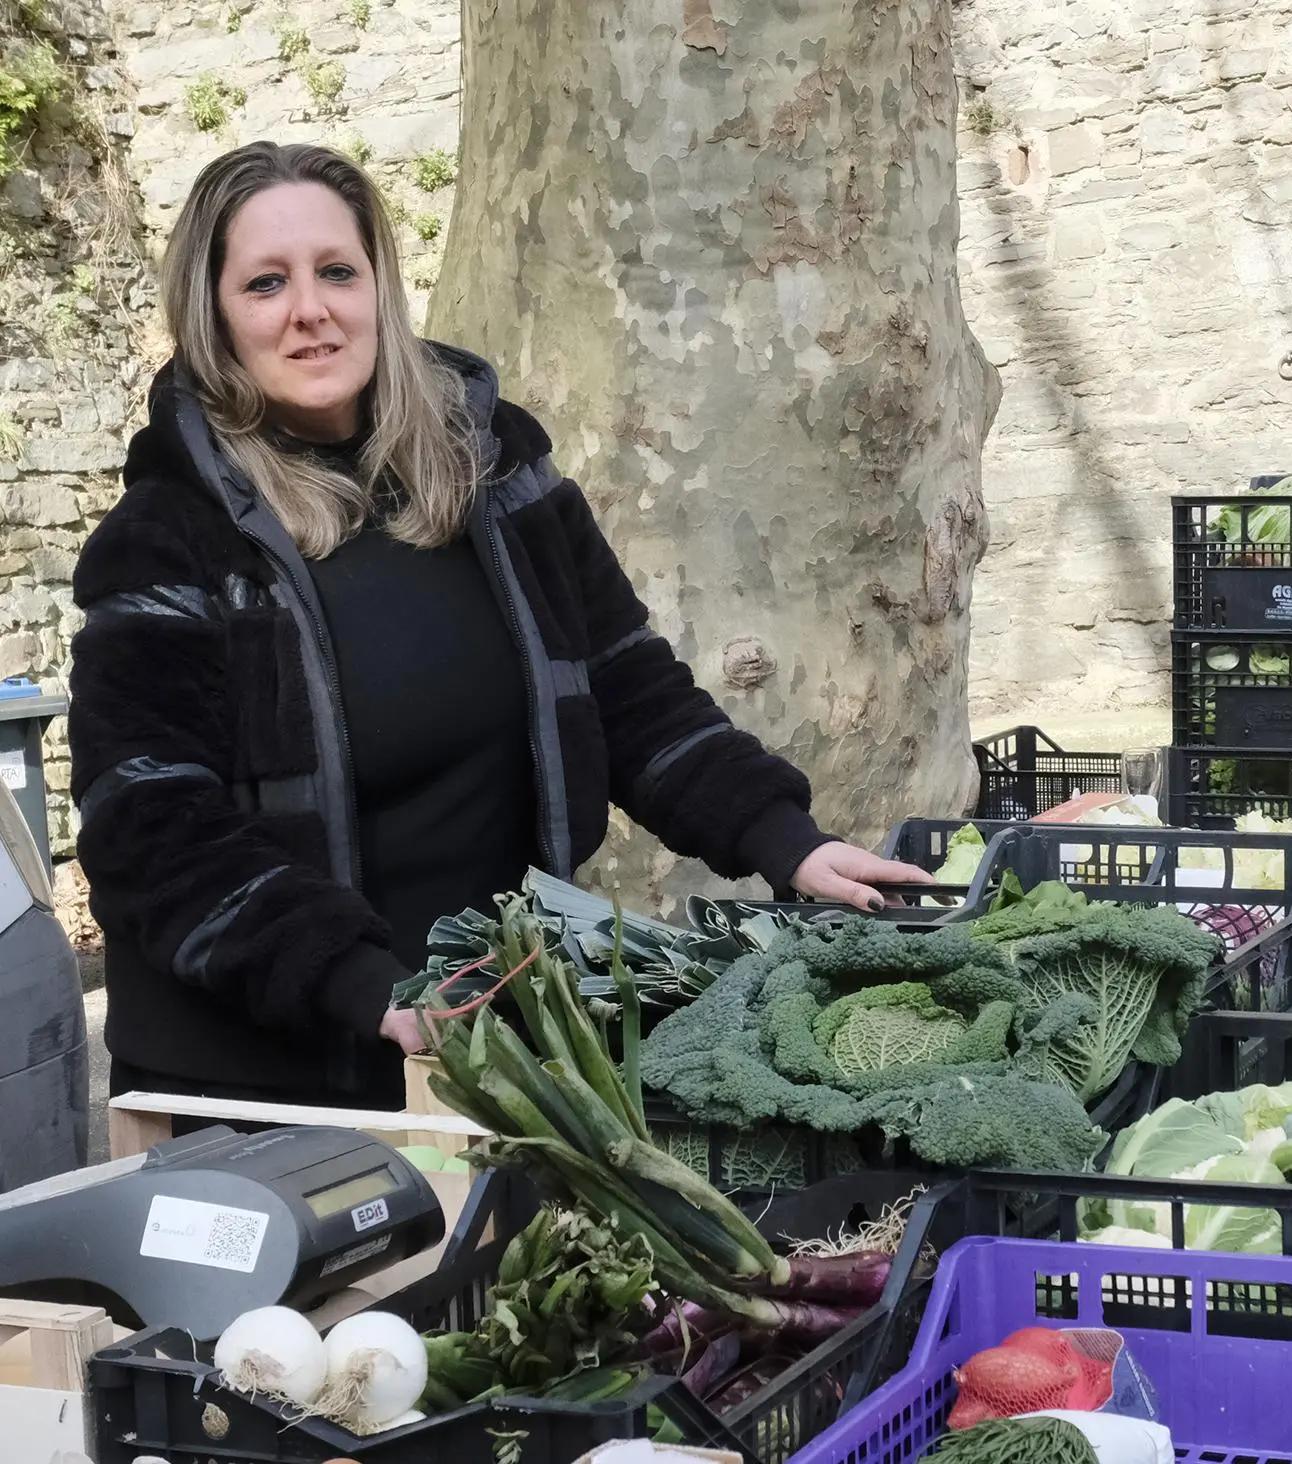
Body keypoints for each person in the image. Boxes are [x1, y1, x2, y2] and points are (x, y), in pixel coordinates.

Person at [67, 141, 932, 1116]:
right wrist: (366, 986)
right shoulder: (165, 541)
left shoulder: (490, 472)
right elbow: (150, 824)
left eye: (337, 272)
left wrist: (785, 842)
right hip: (264, 1083)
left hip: (485, 1040)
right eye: (266, 283)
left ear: (379, 289)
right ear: (216, 316)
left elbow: (625, 688)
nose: (310, 309)